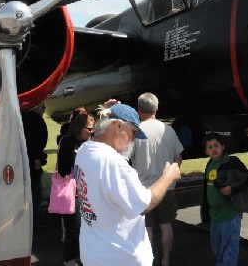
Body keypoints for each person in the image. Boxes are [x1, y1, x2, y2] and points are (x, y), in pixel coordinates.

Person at [75, 104, 181, 266]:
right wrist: (167, 177)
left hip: (95, 255)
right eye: (133, 132)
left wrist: (110, 112)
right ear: (117, 126)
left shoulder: (84, 150)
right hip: (120, 258)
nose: (134, 139)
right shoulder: (114, 164)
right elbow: (144, 204)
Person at [130, 93, 184, 266]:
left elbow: (128, 159)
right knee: (166, 225)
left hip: (143, 188)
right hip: (166, 187)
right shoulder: (168, 130)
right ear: (157, 108)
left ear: (139, 109)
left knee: (147, 229)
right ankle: (166, 260)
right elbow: (178, 156)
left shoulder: (136, 131)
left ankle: (149, 261)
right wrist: (172, 173)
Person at [201, 133, 248, 266]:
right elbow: (207, 189)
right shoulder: (210, 165)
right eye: (210, 147)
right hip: (215, 216)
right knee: (218, 248)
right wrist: (205, 211)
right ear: (206, 151)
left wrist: (232, 188)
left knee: (229, 248)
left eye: (216, 145)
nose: (214, 149)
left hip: (230, 213)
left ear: (223, 146)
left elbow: (247, 178)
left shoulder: (232, 162)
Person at [57, 112, 95, 266]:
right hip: (73, 192)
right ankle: (69, 259)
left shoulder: (89, 143)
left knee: (86, 228)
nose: (91, 132)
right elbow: (63, 170)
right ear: (80, 127)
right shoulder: (67, 141)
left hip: (87, 193)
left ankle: (81, 257)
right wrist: (78, 158)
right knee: (74, 228)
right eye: (89, 129)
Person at [22, 103, 48, 217]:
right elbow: (32, 142)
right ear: (36, 107)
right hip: (32, 160)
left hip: (29, 159)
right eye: (42, 107)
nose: (44, 109)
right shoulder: (34, 121)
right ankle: (34, 216)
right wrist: (36, 158)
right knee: (34, 189)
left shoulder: (29, 120)